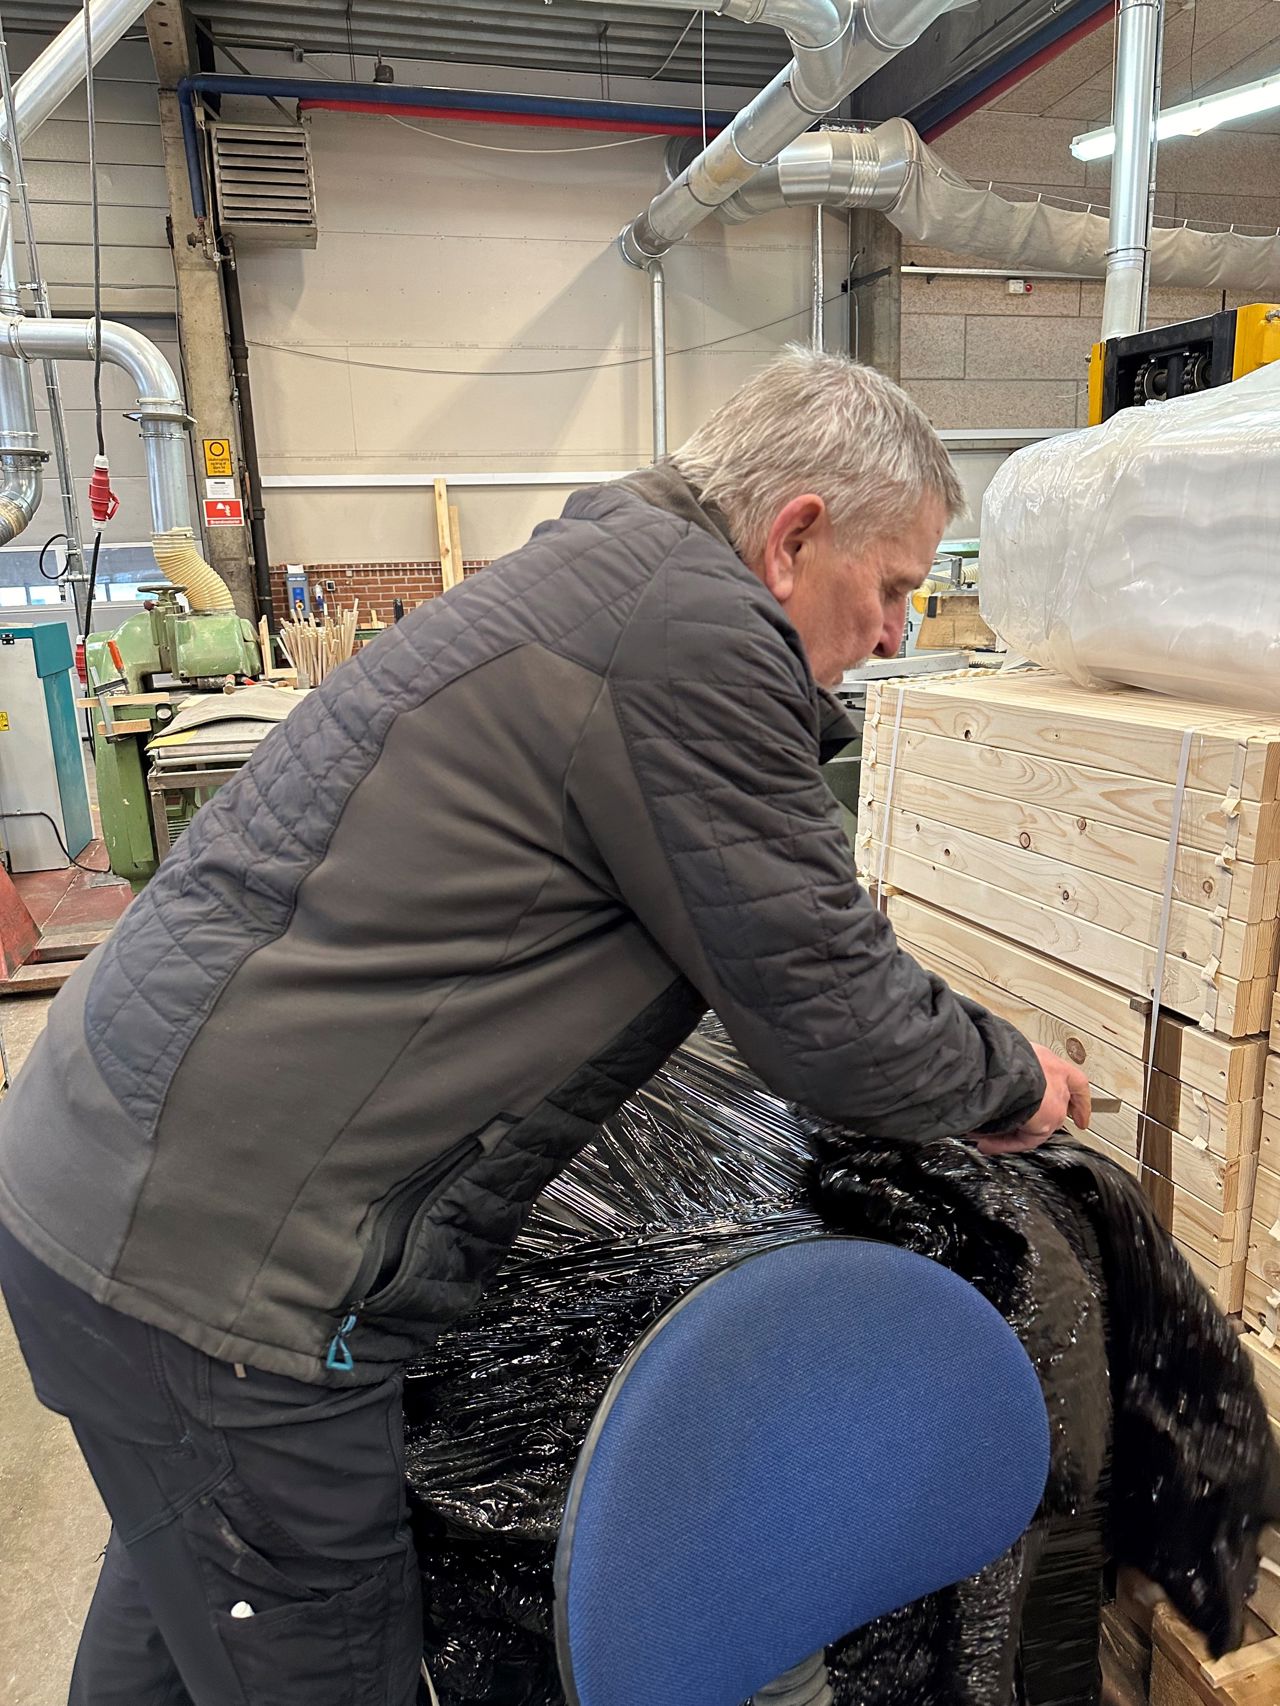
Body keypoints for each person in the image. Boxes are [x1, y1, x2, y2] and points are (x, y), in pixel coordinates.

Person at [0, 347, 1089, 1706]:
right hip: (224, 1289)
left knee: (186, 1620)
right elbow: (833, 1015)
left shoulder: (609, 578)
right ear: (794, 536)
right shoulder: (692, 637)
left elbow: (769, 935)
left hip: (109, 1195)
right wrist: (1013, 1080)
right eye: (890, 588)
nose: (894, 634)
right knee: (317, 1654)